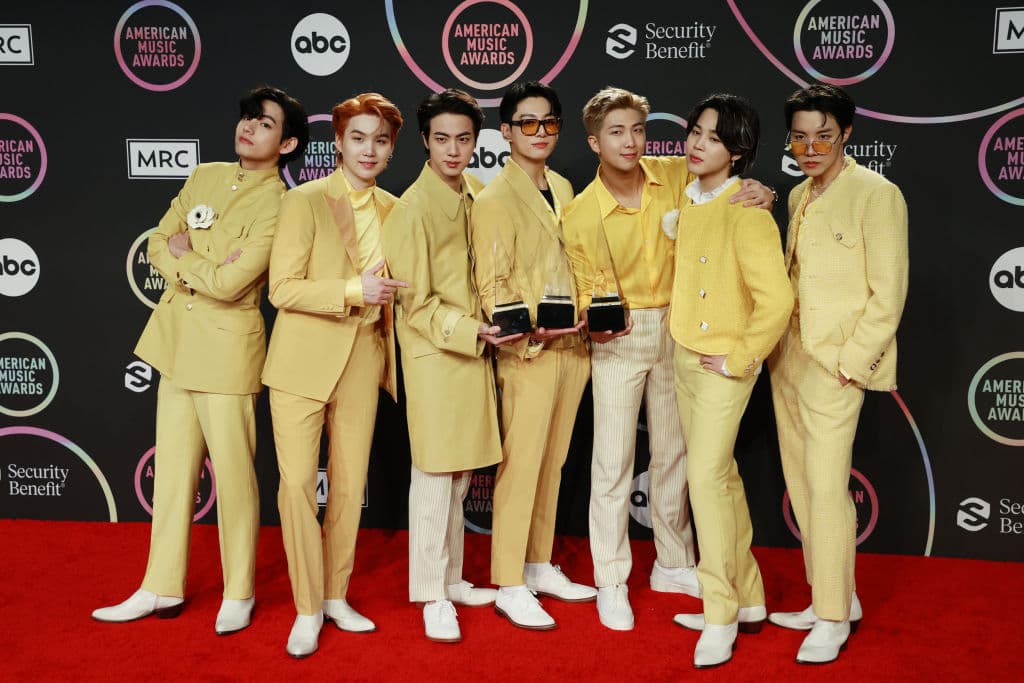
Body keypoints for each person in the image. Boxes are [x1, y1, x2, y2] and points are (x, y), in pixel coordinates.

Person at [92, 86, 308, 635]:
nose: (248, 128)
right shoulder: (204, 175)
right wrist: (197, 260)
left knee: (234, 478)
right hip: (175, 345)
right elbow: (158, 243)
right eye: (246, 118)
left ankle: (239, 591)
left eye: (263, 124)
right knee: (171, 476)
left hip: (229, 353)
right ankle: (160, 585)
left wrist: (192, 256)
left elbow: (237, 284)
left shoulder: (283, 203)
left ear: (287, 144)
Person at [562, 87, 775, 631]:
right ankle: (611, 577)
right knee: (612, 461)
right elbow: (583, 287)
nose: (630, 141)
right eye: (616, 132)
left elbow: (728, 185)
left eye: (637, 129)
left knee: (675, 455)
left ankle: (673, 561)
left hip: (680, 331)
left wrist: (762, 190)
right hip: (619, 338)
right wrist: (595, 315)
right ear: (593, 141)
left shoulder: (677, 174)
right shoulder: (581, 212)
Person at [262, 93, 407, 658]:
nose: (368, 149)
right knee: (298, 485)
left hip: (364, 357)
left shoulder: (399, 210)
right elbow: (282, 288)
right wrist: (353, 291)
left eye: (380, 140)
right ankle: (306, 607)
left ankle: (335, 595)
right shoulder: (303, 201)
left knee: (348, 487)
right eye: (358, 138)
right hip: (301, 360)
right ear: (339, 143)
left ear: (392, 149)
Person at [767, 83, 908, 664]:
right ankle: (835, 596)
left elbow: (889, 292)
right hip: (787, 359)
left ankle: (830, 618)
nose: (810, 146)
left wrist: (851, 364)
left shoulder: (877, 193)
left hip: (836, 366)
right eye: (800, 136)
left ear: (846, 134)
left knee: (827, 491)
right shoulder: (798, 194)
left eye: (823, 134)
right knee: (802, 488)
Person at [381, 89, 523, 644]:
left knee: (461, 475)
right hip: (438, 355)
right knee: (436, 477)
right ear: (424, 140)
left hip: (473, 351)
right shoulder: (411, 208)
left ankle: (453, 577)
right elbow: (413, 306)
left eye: (463, 139)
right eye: (442, 138)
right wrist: (472, 332)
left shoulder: (477, 193)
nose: (453, 149)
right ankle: (431, 594)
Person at [666, 93, 793, 668]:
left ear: (737, 151)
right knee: (723, 480)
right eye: (694, 131)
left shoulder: (747, 211)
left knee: (705, 481)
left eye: (712, 138)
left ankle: (719, 612)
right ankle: (749, 598)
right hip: (685, 356)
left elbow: (777, 301)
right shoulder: (689, 196)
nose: (696, 143)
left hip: (723, 367)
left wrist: (741, 358)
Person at [470, 81, 593, 631]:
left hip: (574, 346)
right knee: (521, 468)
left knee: (554, 462)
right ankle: (508, 582)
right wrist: (525, 335)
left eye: (548, 123)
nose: (539, 133)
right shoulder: (495, 198)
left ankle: (539, 563)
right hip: (529, 353)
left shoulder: (565, 187)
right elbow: (492, 284)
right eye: (527, 123)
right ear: (506, 131)